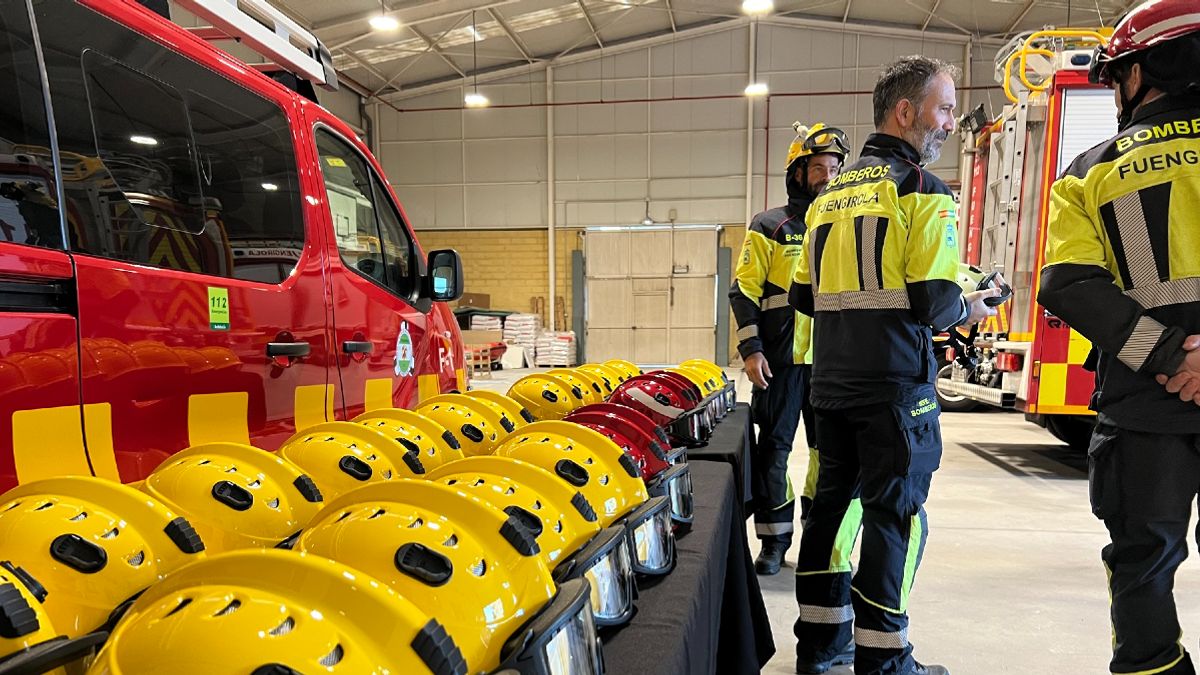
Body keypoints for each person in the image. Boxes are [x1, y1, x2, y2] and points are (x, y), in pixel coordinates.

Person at [788, 55, 1000, 675]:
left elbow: (804, 295)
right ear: (905, 112)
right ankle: (884, 659)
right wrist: (973, 301)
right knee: (894, 517)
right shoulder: (923, 193)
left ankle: (820, 647)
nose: (950, 122)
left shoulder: (827, 198)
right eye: (945, 108)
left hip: (829, 385)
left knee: (829, 512)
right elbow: (935, 303)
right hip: (895, 391)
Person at [1037, 2, 1200, 673]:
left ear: (1145, 70)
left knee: (1142, 568)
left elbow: (1068, 284)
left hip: (1143, 407)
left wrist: (1170, 358)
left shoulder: (1087, 171)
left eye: (1117, 78)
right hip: (1150, 400)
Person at [730, 122, 849, 576]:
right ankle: (774, 542)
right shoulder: (770, 225)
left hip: (832, 367)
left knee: (828, 458)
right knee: (773, 454)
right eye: (818, 167)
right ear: (798, 173)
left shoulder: (847, 227)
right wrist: (752, 350)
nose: (827, 176)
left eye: (835, 168)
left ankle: (819, 538)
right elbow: (744, 291)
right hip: (779, 364)